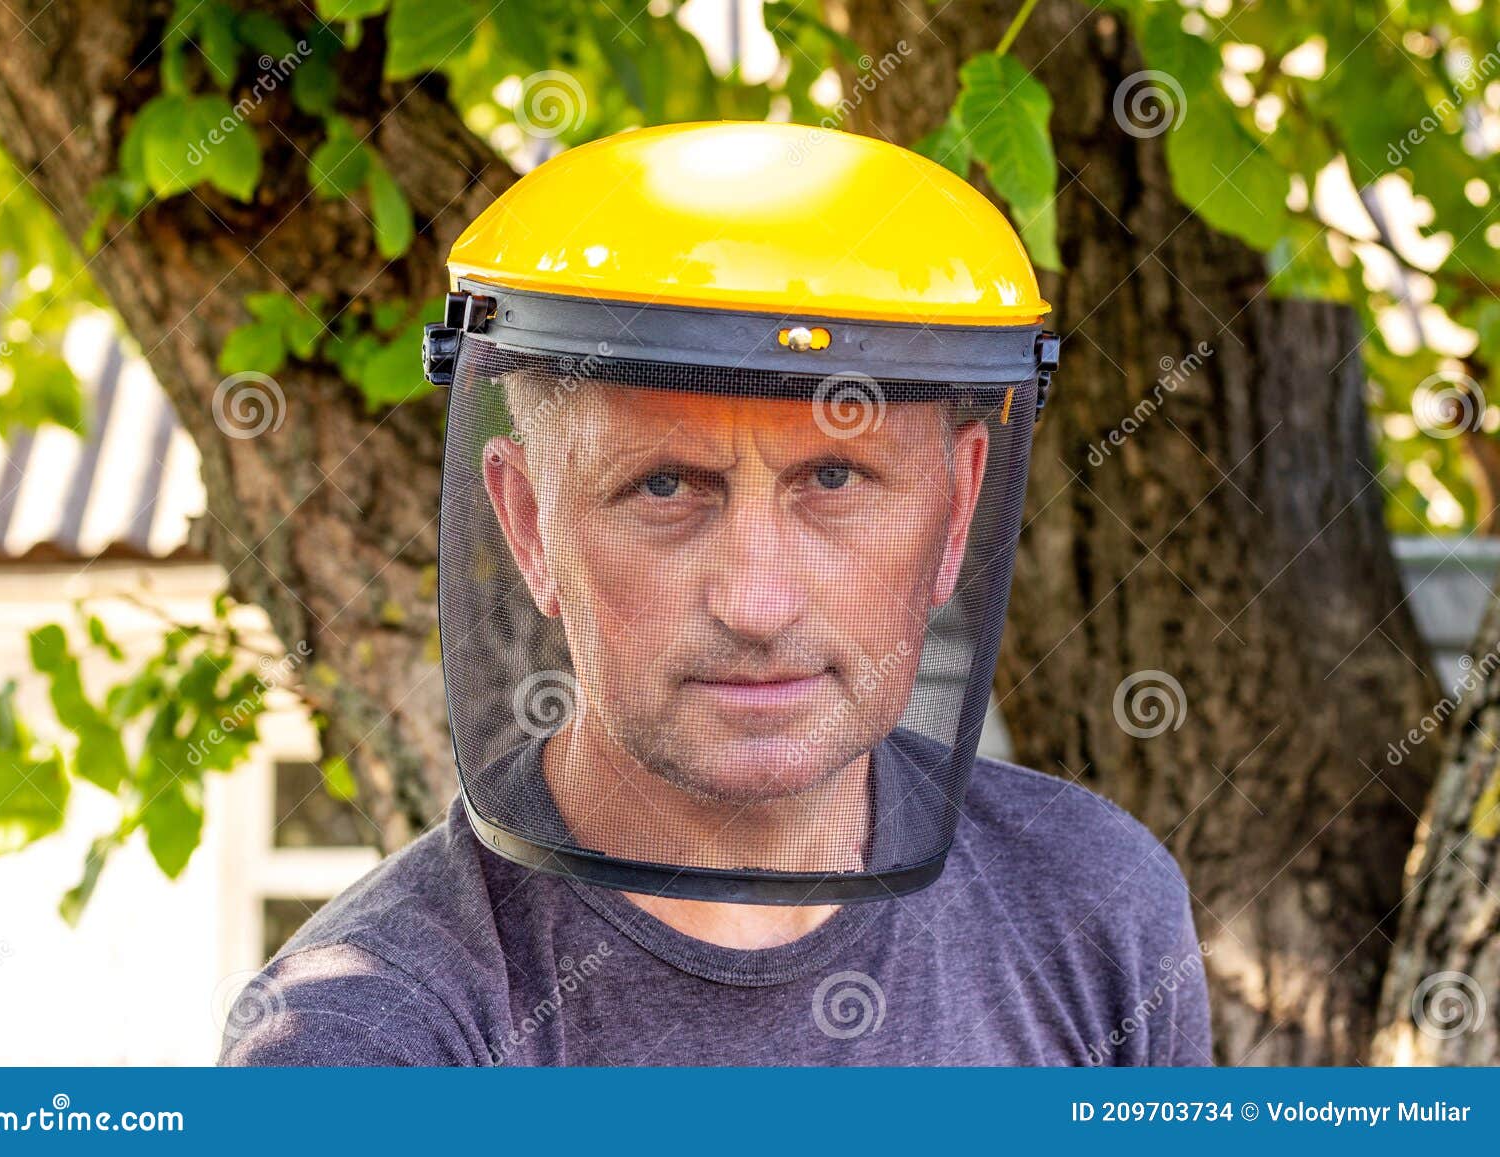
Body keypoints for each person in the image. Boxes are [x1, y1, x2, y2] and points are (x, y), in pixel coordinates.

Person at [219, 120, 1212, 1066]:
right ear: (528, 524)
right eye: (663, 485)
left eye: (833, 479)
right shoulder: (368, 1038)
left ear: (955, 513)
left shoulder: (1096, 907)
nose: (756, 601)